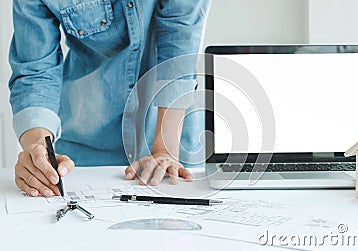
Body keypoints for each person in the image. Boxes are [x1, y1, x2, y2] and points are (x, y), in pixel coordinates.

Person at [8, 0, 210, 197]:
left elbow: (179, 42)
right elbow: (35, 73)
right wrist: (39, 149)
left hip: (173, 134)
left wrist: (165, 149)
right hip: (87, 143)